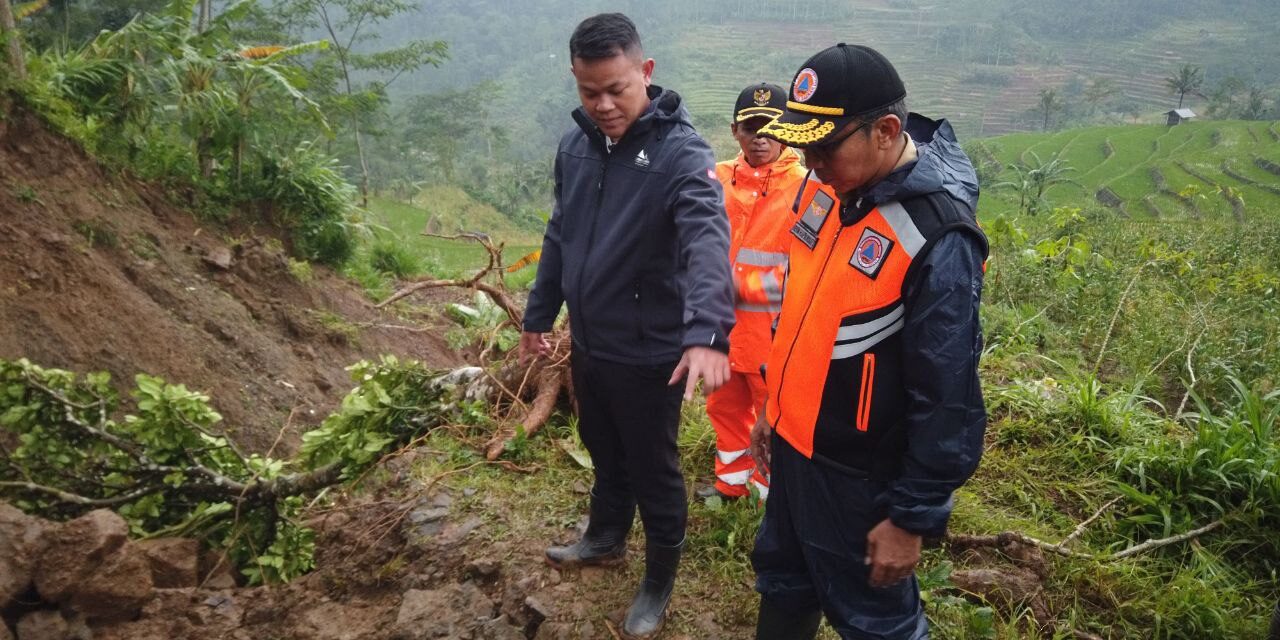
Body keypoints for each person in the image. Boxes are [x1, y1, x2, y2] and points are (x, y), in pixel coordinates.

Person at [747, 44, 989, 639]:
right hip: (796, 449)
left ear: (885, 131)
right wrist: (772, 410)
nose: (810, 160)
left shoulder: (937, 236)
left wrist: (910, 519)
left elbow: (948, 394)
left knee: (876, 623)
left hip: (860, 479)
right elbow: (800, 308)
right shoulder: (824, 190)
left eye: (824, 146)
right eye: (802, 144)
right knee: (783, 579)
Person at [518, 13, 734, 639]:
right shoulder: (575, 144)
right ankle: (605, 539)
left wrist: (708, 333)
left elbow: (706, 242)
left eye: (618, 89)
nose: (605, 105)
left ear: (646, 72)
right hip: (591, 342)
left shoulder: (681, 154)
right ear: (575, 81)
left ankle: (659, 579)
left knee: (652, 467)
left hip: (650, 353)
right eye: (590, 92)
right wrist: (539, 315)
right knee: (604, 449)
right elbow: (560, 232)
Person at [699, 82, 830, 502]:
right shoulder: (713, 178)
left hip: (772, 336)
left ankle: (768, 492)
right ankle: (730, 483)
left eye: (773, 128)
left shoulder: (810, 188)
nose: (762, 137)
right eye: (752, 127)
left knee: (773, 415)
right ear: (735, 130)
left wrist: (732, 289)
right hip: (720, 330)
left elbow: (812, 267)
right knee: (723, 408)